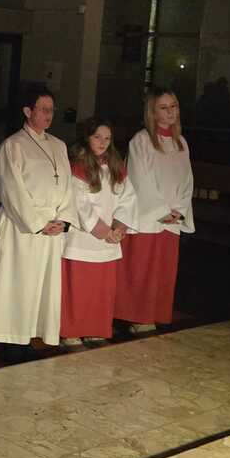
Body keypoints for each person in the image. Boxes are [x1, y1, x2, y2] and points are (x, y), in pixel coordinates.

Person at [0, 86, 78, 361]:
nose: (48, 115)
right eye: (43, 109)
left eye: (51, 110)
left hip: (52, 227)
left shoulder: (59, 145)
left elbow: (68, 187)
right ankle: (9, 341)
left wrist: (63, 220)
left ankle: (28, 336)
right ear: (27, 111)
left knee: (39, 285)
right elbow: (11, 190)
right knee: (16, 283)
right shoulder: (12, 146)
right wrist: (38, 222)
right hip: (22, 226)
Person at [116, 87, 195, 335]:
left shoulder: (181, 142)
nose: (171, 112)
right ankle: (138, 317)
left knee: (163, 270)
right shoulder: (141, 141)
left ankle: (156, 313)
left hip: (172, 218)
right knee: (143, 269)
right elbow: (140, 179)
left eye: (174, 106)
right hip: (149, 217)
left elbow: (187, 180)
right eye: (164, 107)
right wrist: (162, 209)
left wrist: (179, 209)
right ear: (152, 111)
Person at [60, 118, 137, 348]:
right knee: (78, 289)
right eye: (97, 137)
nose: (103, 142)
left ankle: (95, 329)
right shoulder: (78, 167)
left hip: (109, 240)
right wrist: (104, 231)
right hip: (83, 239)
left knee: (100, 290)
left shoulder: (116, 167)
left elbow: (128, 199)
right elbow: (80, 204)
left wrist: (119, 227)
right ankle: (71, 332)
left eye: (107, 138)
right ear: (87, 137)